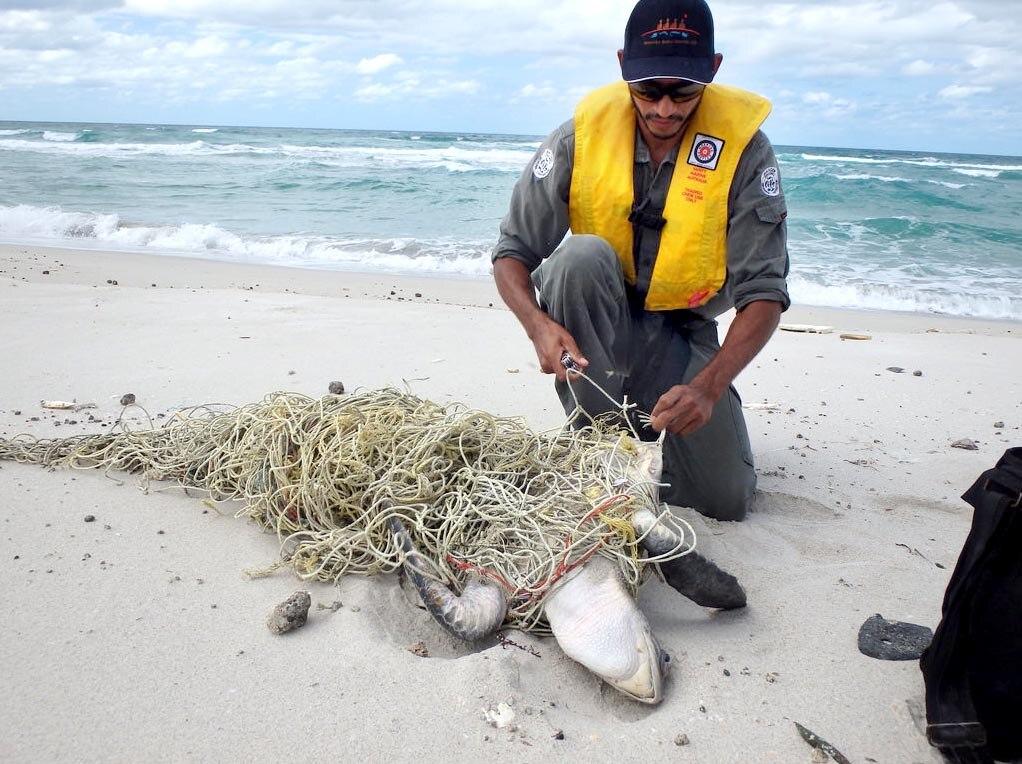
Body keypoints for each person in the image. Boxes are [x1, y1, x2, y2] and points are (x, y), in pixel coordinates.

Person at [492, 0, 790, 522]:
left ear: (713, 71)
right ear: (622, 66)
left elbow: (764, 293)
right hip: (596, 332)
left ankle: (662, 417)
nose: (666, 110)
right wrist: (537, 325)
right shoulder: (575, 138)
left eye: (684, 92)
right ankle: (596, 438)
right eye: (649, 90)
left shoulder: (746, 152)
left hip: (682, 336)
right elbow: (512, 253)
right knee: (578, 257)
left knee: (726, 499)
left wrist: (708, 387)